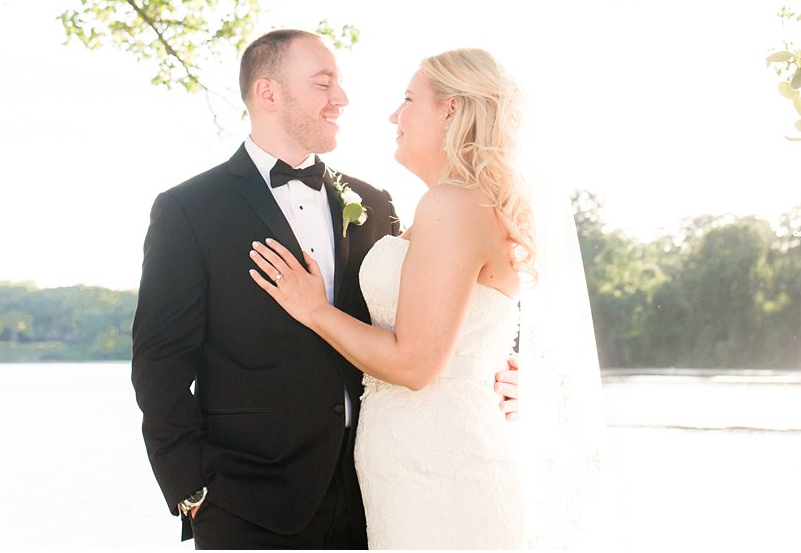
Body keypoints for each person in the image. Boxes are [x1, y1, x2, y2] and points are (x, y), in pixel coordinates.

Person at [132, 31, 520, 549]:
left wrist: (503, 368)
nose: (342, 98)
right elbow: (159, 363)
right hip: (248, 506)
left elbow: (450, 309)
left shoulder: (374, 203)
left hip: (376, 496)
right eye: (323, 84)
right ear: (268, 94)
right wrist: (190, 490)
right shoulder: (190, 210)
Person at [250, 48, 534, 549]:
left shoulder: (450, 205)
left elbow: (415, 365)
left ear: (451, 109)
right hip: (423, 463)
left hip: (438, 473)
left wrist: (315, 309)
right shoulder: (472, 203)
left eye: (407, 99)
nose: (392, 115)